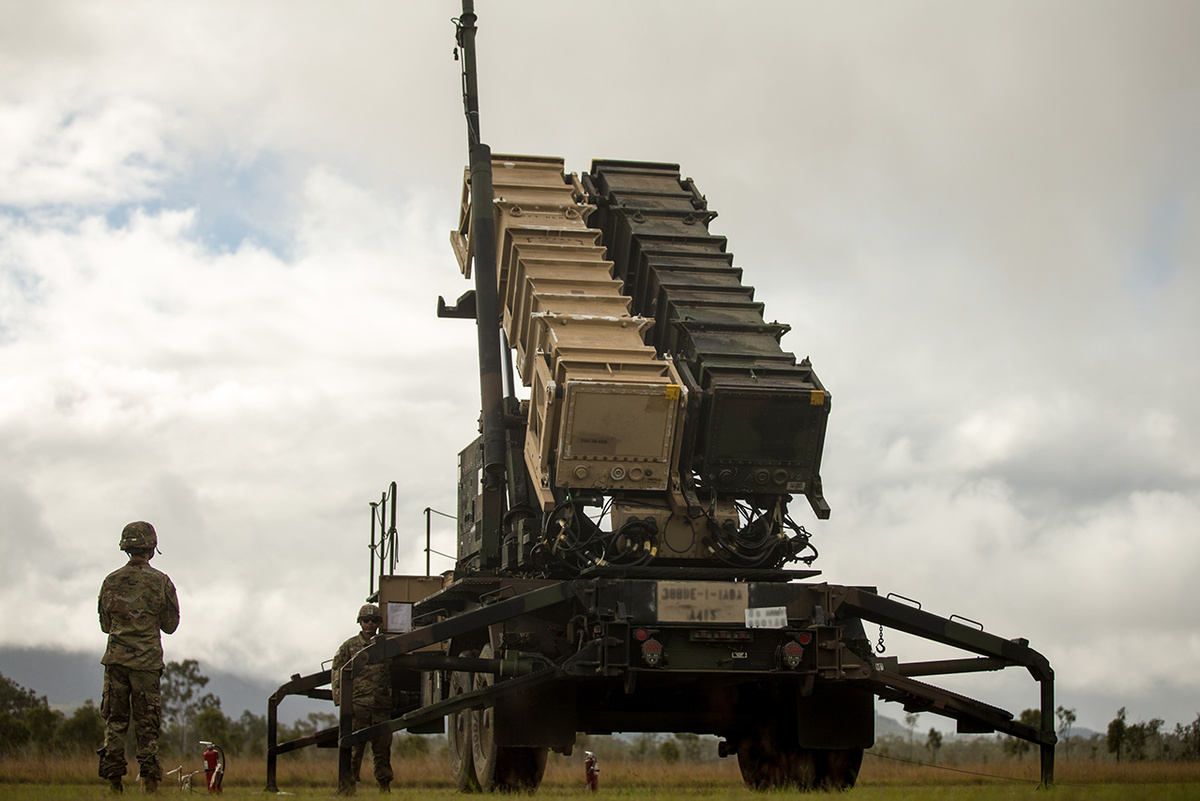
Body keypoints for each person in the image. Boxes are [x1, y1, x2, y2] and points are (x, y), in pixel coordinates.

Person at [97, 521, 180, 795]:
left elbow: (105, 625)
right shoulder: (161, 582)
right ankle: (149, 784)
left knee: (115, 723)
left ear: (126, 548)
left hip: (116, 662)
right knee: (147, 725)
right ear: (151, 548)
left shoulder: (110, 581)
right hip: (146, 665)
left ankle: (114, 783)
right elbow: (170, 625)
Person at [331, 603, 394, 794]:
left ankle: (384, 787)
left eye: (374, 620)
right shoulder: (349, 646)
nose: (370, 624)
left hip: (381, 706)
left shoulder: (388, 645)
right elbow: (337, 671)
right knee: (353, 749)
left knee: (383, 749)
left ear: (379, 623)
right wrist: (340, 698)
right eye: (366, 620)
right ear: (360, 622)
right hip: (358, 706)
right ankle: (348, 787)